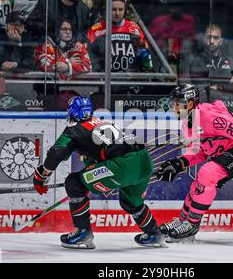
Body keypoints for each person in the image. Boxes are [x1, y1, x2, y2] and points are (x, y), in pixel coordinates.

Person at [33, 96, 166, 249]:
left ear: (71, 112)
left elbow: (55, 155)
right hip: (144, 161)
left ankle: (83, 233)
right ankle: (154, 233)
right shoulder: (100, 122)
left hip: (121, 167)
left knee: (74, 184)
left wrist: (41, 176)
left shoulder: (74, 130)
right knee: (130, 202)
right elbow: (98, 156)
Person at [156, 84, 233, 241]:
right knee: (198, 183)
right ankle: (183, 220)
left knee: (208, 173)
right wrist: (179, 163)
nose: (174, 107)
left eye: (177, 103)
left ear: (190, 103)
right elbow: (198, 151)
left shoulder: (210, 117)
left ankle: (192, 224)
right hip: (228, 149)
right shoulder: (187, 123)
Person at [86, 0, 153, 72]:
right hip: (104, 80)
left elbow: (144, 54)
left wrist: (148, 73)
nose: (117, 13)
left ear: (125, 10)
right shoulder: (95, 30)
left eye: (120, 9)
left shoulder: (135, 28)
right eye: (113, 9)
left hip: (131, 79)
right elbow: (88, 56)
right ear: (107, 10)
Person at [189, 24, 233, 89]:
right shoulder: (196, 62)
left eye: (215, 38)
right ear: (204, 40)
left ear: (220, 41)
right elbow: (201, 88)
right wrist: (225, 86)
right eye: (209, 37)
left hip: (229, 98)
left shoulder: (231, 63)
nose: (212, 41)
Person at [26, 0, 90, 43]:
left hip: (75, 53)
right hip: (49, 52)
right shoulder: (46, 3)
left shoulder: (83, 9)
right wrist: (47, 28)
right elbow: (30, 24)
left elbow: (87, 33)